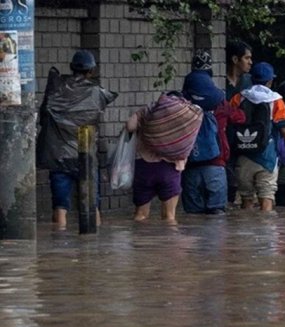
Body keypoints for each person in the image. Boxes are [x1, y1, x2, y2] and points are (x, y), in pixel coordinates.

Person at [37, 49, 118, 230]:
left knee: (60, 206)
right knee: (92, 205)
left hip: (59, 157)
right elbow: (110, 96)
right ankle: (93, 246)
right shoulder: (97, 92)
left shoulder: (56, 89)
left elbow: (43, 117)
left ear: (71, 68)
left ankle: (59, 243)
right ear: (92, 71)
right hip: (86, 156)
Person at [229, 62, 285, 211]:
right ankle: (265, 231)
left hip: (243, 155)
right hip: (267, 157)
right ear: (270, 81)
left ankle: (245, 232)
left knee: (246, 198)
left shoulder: (238, 98)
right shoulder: (276, 101)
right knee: (267, 196)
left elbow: (230, 123)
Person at [126, 91, 201, 225]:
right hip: (170, 168)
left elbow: (130, 126)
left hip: (144, 167)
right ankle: (168, 244)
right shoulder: (185, 113)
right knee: (169, 217)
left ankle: (139, 244)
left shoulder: (149, 110)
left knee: (140, 215)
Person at [181, 50, 229, 214]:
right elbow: (239, 117)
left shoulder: (182, 104)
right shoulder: (220, 102)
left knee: (192, 218)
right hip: (215, 165)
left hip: (189, 167)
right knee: (217, 216)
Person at [225, 40, 254, 206]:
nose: (250, 62)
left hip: (246, 137)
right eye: (247, 58)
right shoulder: (219, 81)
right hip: (225, 136)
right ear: (235, 60)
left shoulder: (249, 82)